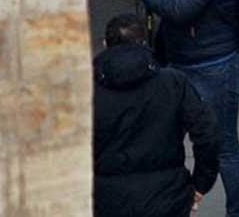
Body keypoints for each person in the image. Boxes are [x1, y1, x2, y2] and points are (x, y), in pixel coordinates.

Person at [119, 0, 239, 217]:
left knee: (224, 149)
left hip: (214, 67)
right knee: (169, 141)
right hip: (189, 64)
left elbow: (183, 9)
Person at [92, 11, 220, 217]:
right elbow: (207, 134)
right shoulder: (173, 83)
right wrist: (201, 183)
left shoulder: (85, 90)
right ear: (144, 43)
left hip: (105, 199)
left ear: (106, 44)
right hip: (167, 196)